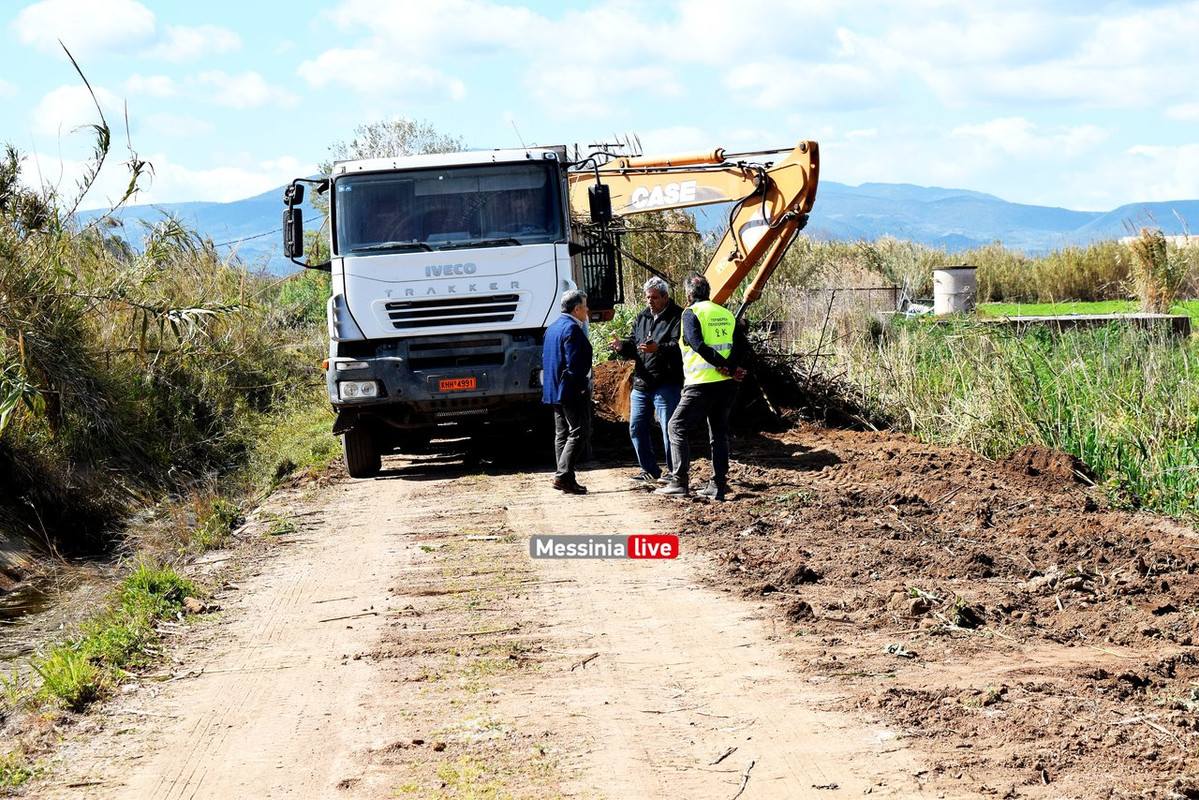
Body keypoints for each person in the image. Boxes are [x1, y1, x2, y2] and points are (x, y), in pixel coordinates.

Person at [655, 273, 749, 501]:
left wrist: (724, 365)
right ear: (708, 292)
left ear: (688, 295)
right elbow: (743, 344)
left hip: (701, 385)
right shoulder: (725, 312)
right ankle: (718, 486)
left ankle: (679, 482)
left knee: (676, 427)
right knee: (719, 435)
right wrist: (731, 367)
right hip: (726, 386)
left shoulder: (690, 313)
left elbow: (696, 343)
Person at [607, 277, 683, 485]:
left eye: (655, 298)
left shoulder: (678, 317)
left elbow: (680, 346)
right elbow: (634, 344)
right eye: (648, 297)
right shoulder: (642, 317)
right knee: (636, 428)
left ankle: (674, 473)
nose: (650, 301)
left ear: (666, 297)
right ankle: (649, 469)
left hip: (666, 383)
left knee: (669, 429)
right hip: (642, 383)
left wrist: (658, 349)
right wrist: (622, 347)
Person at [542, 289, 593, 494]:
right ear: (577, 309)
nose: (588, 310)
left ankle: (567, 480)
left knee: (562, 434)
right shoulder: (572, 329)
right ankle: (562, 475)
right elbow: (574, 364)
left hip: (554, 388)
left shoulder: (553, 327)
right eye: (585, 306)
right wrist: (581, 386)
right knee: (580, 431)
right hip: (570, 389)